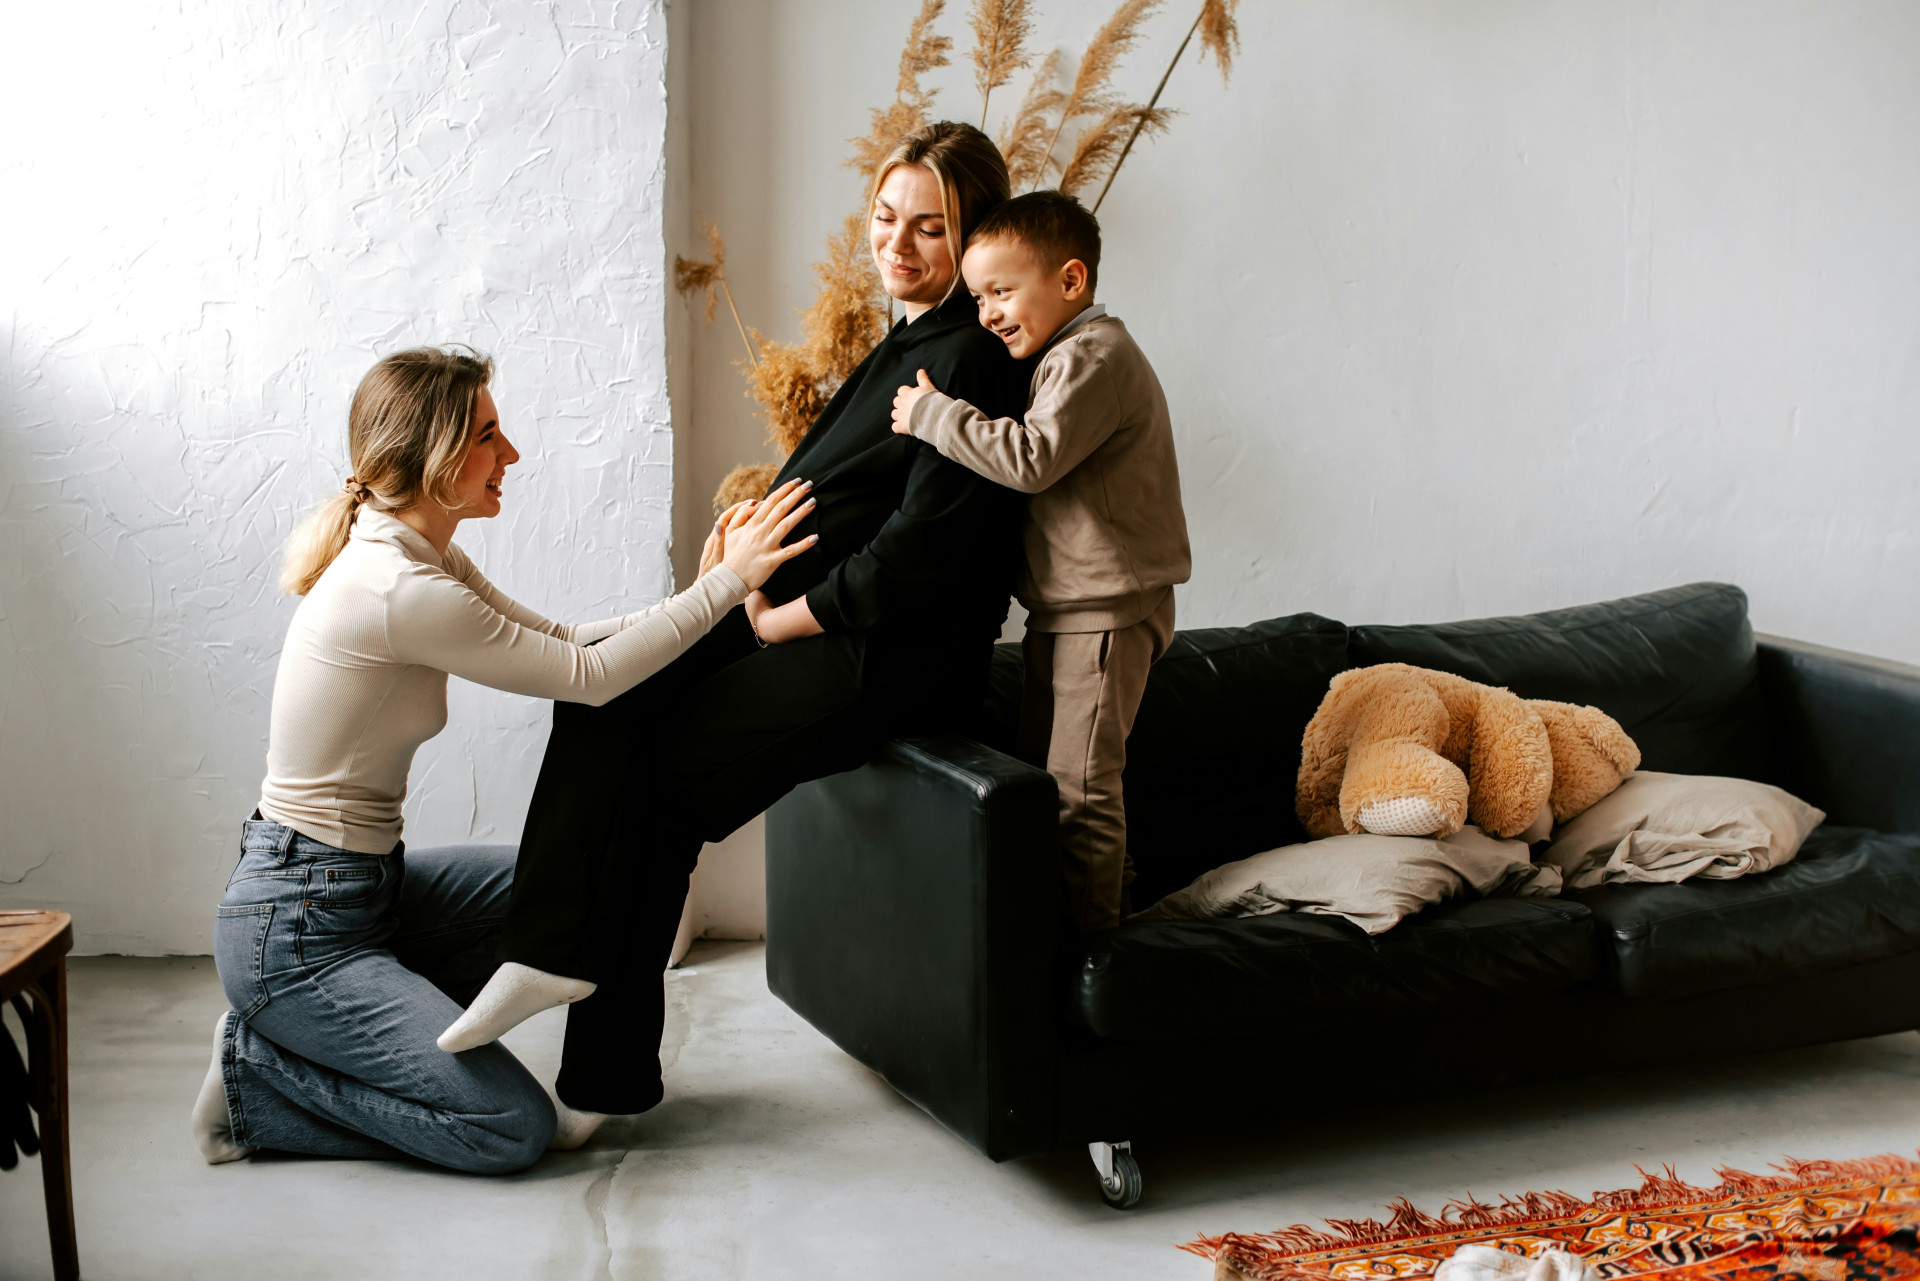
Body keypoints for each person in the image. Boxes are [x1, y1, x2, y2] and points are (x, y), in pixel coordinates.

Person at [437, 122, 1035, 1130]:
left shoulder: (969, 356)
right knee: (603, 688)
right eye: (885, 217)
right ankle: (546, 957)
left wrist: (782, 615)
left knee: (659, 785)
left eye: (931, 228)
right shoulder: (906, 337)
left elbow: (924, 551)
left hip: (872, 650)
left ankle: (595, 1058)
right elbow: (846, 492)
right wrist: (740, 556)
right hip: (779, 608)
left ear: (974, 235)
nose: (897, 244)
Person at [194, 345, 815, 1173]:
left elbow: (565, 641)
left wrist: (702, 599)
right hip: (297, 930)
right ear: (436, 455)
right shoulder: (399, 589)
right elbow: (589, 681)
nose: (510, 453)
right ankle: (253, 1071)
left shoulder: (424, 555)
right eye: (489, 436)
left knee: (583, 888)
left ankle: (297, 1042)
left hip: (363, 891)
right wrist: (725, 588)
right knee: (508, 1127)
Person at [889, 190, 1191, 933]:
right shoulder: (1061, 355)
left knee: (1081, 788)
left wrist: (934, 415)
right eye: (978, 297)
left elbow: (1032, 459)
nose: (988, 313)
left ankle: (1093, 952)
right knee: (1049, 780)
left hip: (1107, 612)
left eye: (1001, 291)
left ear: (1071, 280)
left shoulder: (1095, 356)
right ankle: (1100, 916)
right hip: (1066, 607)